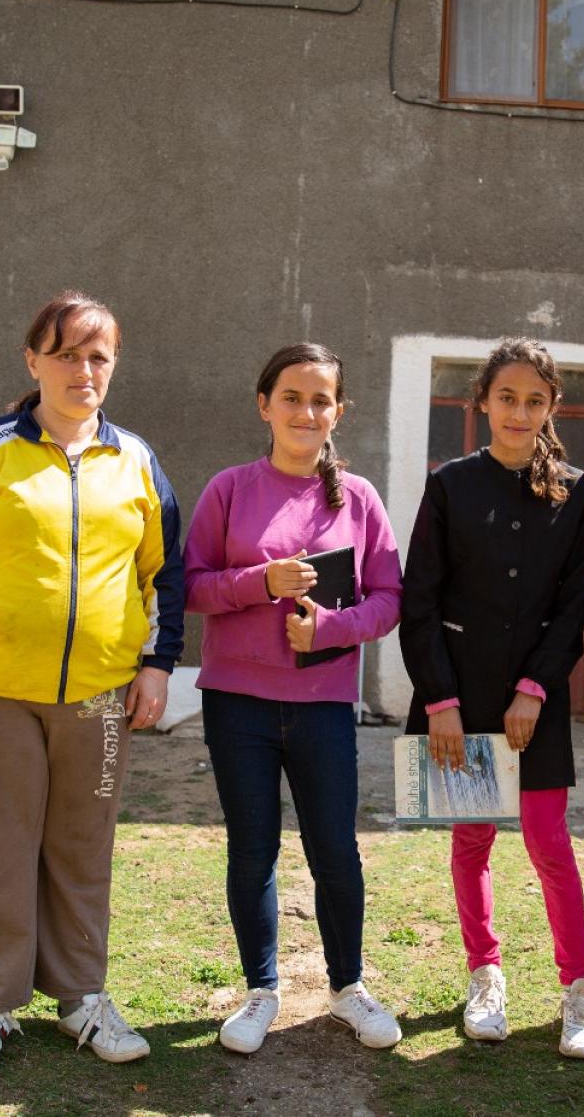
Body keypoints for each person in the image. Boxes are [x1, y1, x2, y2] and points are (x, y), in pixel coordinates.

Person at [0, 290, 184, 1074]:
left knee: (82, 845)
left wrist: (158, 665)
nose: (82, 370)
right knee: (1, 844)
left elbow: (167, 572)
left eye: (98, 356)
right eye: (66, 353)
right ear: (33, 362)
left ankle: (81, 999)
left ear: (114, 366)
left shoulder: (137, 460)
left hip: (99, 698)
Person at [183, 343, 405, 1055]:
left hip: (323, 706)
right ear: (264, 404)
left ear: (338, 411)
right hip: (237, 703)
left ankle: (347, 987)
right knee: (253, 849)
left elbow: (390, 598)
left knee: (335, 848)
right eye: (292, 397)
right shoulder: (229, 489)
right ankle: (261, 990)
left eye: (320, 400)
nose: (306, 412)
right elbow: (190, 587)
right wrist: (260, 583)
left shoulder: (361, 499)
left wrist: (332, 628)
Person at [399, 338, 584, 1058]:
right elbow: (418, 599)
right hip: (461, 695)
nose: (520, 412)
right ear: (482, 400)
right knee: (472, 840)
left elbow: (572, 606)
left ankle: (580, 987)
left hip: (534, 703)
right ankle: (484, 976)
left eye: (536, 400)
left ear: (552, 408)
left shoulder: (578, 492)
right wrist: (441, 701)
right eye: (507, 397)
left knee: (550, 842)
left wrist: (536, 687)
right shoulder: (450, 483)